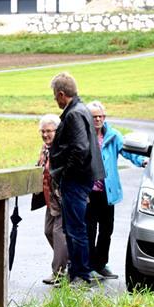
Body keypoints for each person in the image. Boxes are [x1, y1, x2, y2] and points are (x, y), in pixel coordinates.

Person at [48, 72, 104, 285]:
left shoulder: (73, 114)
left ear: (62, 94)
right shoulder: (82, 109)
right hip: (81, 178)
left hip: (76, 180)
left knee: (75, 229)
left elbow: (80, 148)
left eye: (55, 95)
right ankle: (77, 273)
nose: (55, 99)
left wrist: (64, 173)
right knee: (74, 227)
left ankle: (81, 274)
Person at [85, 100, 147, 279]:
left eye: (100, 116)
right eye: (94, 117)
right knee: (89, 231)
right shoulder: (83, 136)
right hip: (88, 193)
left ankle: (101, 264)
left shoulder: (113, 135)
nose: (98, 119)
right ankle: (88, 266)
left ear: (104, 117)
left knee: (106, 231)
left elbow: (128, 151)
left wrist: (142, 160)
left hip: (107, 192)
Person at [36, 114, 68, 285]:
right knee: (48, 231)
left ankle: (59, 272)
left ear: (58, 131)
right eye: (43, 131)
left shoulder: (62, 148)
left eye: (49, 131)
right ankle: (68, 261)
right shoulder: (45, 148)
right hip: (50, 199)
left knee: (58, 233)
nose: (45, 134)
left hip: (63, 198)